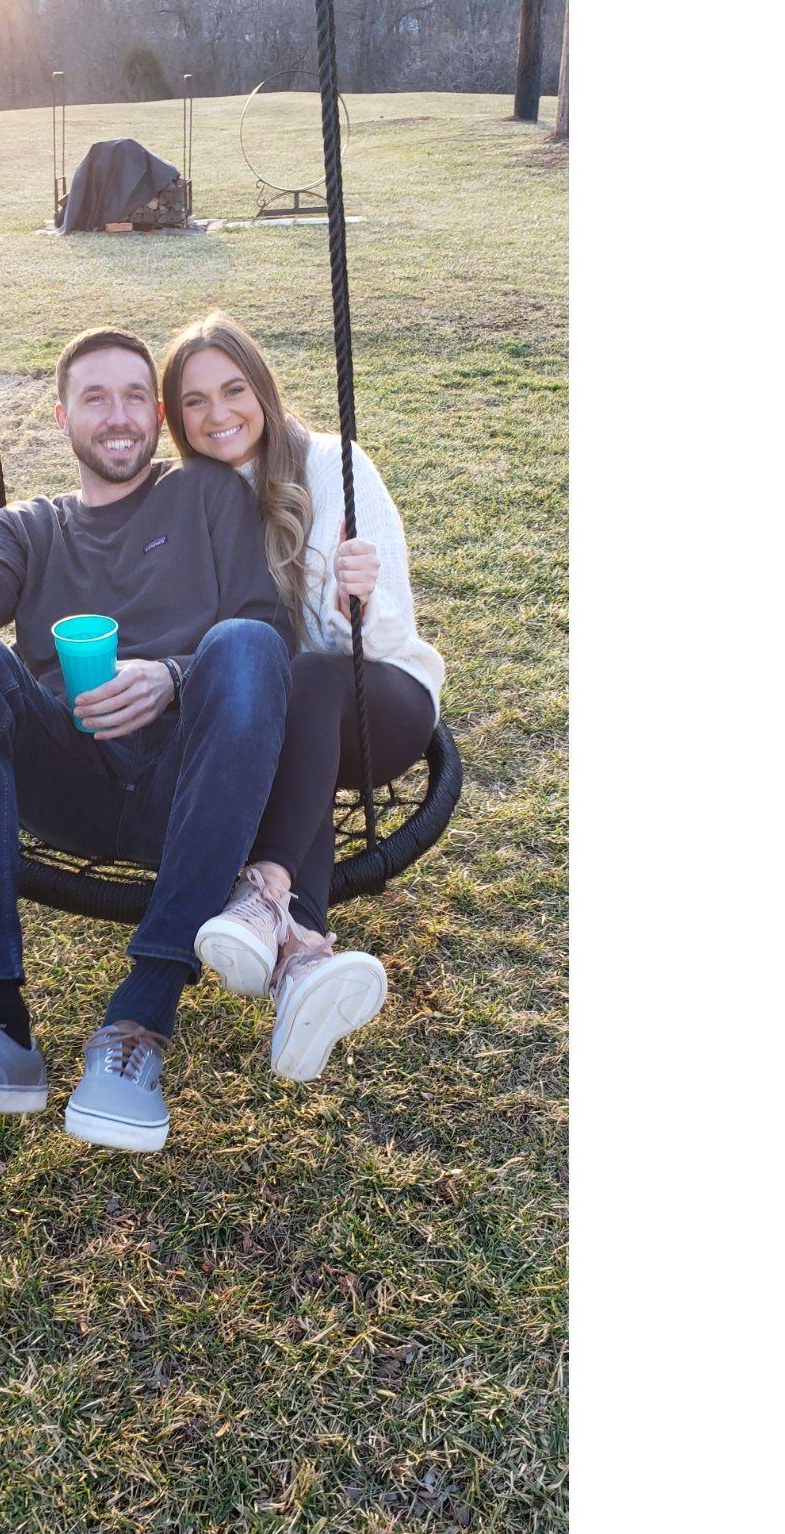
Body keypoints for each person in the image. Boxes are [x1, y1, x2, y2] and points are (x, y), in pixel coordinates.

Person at [0, 327, 296, 1153]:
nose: (119, 415)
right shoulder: (30, 526)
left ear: (159, 416)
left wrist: (171, 676)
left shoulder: (205, 494)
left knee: (247, 645)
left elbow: (266, 626)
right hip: (68, 780)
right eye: (95, 398)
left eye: (136, 396)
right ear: (63, 416)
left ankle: (142, 1018)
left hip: (193, 785)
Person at [159, 311, 463, 1082]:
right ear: (175, 416)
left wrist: (355, 601)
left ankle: (264, 894)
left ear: (262, 390)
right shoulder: (185, 500)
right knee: (273, 718)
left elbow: (386, 636)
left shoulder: (333, 465)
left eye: (233, 390)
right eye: (195, 400)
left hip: (375, 701)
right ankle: (302, 961)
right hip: (288, 732)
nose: (219, 414)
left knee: (305, 678)